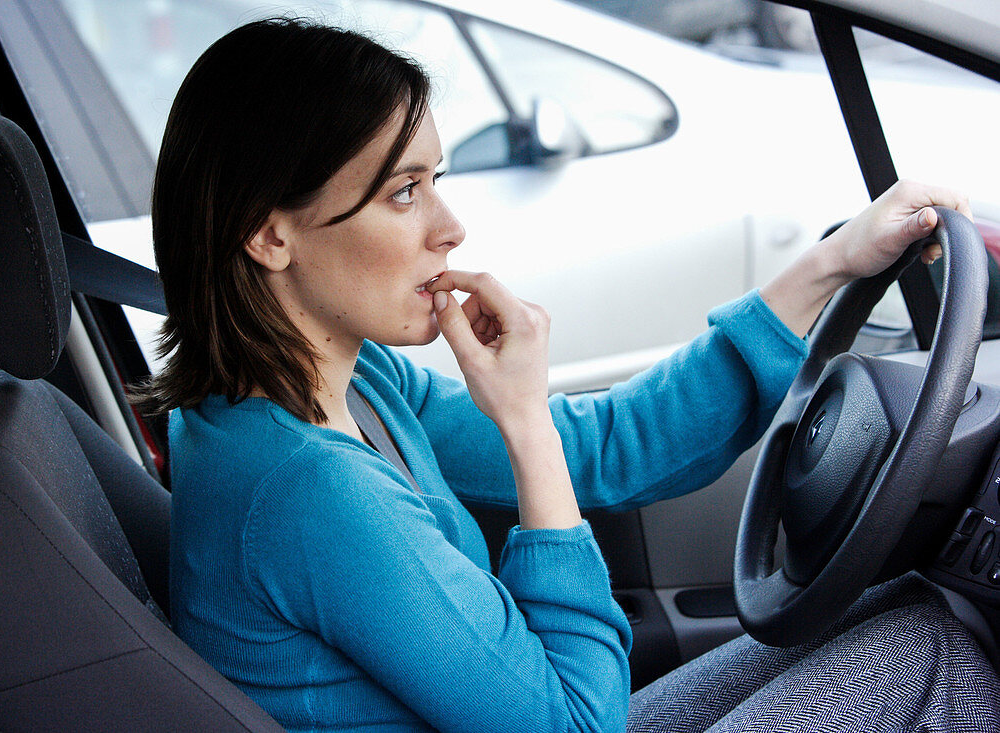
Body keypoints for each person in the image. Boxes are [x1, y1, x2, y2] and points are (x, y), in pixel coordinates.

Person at [140, 17, 1000, 733]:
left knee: (899, 605)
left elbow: (609, 445)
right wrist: (524, 429)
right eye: (404, 193)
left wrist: (833, 263)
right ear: (270, 233)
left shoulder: (345, 392)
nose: (451, 227)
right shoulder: (309, 491)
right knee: (936, 661)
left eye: (435, 181)